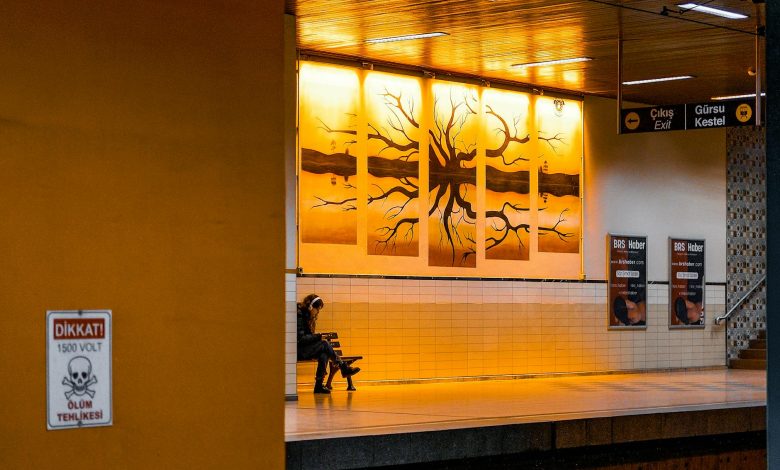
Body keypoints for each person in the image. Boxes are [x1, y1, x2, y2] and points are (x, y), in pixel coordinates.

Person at [297, 293, 360, 394]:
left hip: (304, 349)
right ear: (310, 306)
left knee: (324, 354)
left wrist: (316, 336)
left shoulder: (306, 316)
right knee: (325, 344)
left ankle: (318, 386)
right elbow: (300, 339)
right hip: (297, 350)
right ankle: (343, 367)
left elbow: (308, 337)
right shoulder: (299, 315)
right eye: (317, 309)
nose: (317, 312)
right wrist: (318, 337)